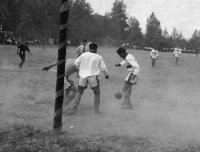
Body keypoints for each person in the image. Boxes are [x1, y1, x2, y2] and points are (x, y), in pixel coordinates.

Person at [71, 43, 109, 114]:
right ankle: (96, 110)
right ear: (96, 49)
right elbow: (103, 68)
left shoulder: (83, 55)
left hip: (83, 76)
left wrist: (81, 70)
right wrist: (107, 75)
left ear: (89, 48)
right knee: (97, 93)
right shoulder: (98, 57)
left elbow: (75, 63)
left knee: (79, 92)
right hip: (93, 77)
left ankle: (74, 108)